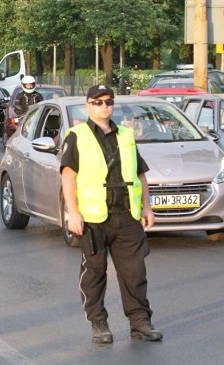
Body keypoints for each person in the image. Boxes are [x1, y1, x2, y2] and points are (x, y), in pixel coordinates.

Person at [60, 84, 162, 344]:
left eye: (108, 101)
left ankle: (140, 323)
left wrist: (146, 207)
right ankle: (98, 323)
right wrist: (73, 213)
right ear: (88, 105)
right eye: (98, 102)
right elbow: (68, 177)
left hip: (126, 216)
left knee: (135, 272)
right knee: (94, 272)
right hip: (93, 218)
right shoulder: (76, 136)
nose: (104, 106)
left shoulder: (126, 135)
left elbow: (140, 174)